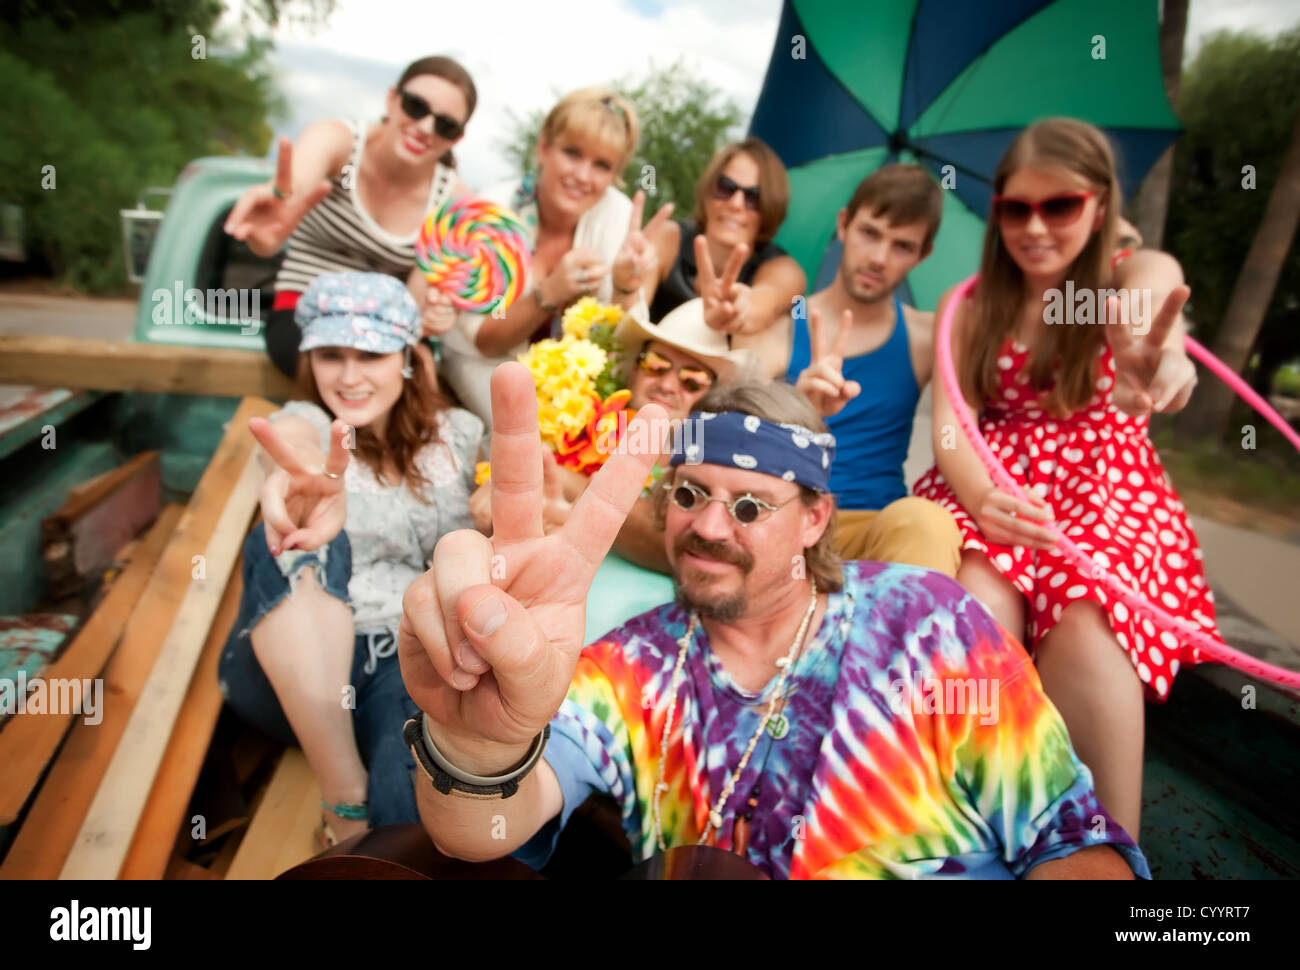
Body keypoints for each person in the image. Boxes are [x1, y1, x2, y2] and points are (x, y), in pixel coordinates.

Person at [396, 366, 1150, 879]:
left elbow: (1074, 844)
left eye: (750, 506)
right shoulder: (632, 668)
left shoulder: (930, 625)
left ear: (817, 517)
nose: (709, 528)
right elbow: (477, 832)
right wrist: (474, 744)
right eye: (689, 494)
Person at [912, 118, 1222, 839]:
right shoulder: (976, 306)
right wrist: (983, 498)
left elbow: (1156, 289)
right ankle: (978, 829)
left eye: (1061, 206)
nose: (1036, 227)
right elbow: (953, 425)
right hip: (991, 483)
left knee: (1086, 616)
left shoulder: (1120, 284)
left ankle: (1109, 855)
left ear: (1102, 206)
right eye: (1017, 208)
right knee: (976, 604)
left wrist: (1161, 348)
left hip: (1101, 480)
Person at [218, 271, 483, 847]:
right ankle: (342, 795)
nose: (349, 375)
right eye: (331, 354)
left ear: (409, 358)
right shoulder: (308, 422)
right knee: (298, 535)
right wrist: (296, 479)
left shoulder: (461, 435)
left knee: (412, 799)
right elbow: (294, 446)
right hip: (293, 670)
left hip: (405, 661)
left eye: (371, 353)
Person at [224, 55, 476, 380]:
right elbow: (296, 182)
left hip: (384, 332)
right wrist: (280, 204)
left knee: (417, 376)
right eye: (416, 106)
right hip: (303, 316)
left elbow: (413, 309)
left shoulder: (453, 200)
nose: (426, 127)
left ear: (457, 138)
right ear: (392, 99)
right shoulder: (339, 142)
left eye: (446, 124)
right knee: (350, 372)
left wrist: (432, 316)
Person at [468, 297, 749, 573]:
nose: (666, 384)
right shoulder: (574, 418)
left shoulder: (712, 463)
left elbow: (675, 545)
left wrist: (570, 483)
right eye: (656, 365)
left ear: (711, 396)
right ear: (634, 371)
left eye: (692, 380)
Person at [786, 164, 961, 575]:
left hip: (874, 530)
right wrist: (799, 407)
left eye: (902, 246)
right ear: (844, 224)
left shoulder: (927, 336)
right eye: (870, 233)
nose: (879, 258)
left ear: (923, 254)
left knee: (927, 522)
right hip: (784, 520)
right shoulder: (780, 322)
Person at [438, 88, 650, 420]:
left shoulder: (618, 215)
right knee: (525, 431)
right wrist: (550, 293)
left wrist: (626, 287)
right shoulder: (493, 211)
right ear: (543, 147)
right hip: (481, 360)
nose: (582, 176)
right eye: (573, 153)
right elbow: (484, 341)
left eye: (602, 165)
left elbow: (623, 347)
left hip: (568, 382)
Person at [625, 138, 806, 379]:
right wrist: (625, 281)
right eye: (726, 187)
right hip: (648, 378)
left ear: (769, 207)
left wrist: (740, 309)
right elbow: (628, 321)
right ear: (708, 192)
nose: (736, 203)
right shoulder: (668, 237)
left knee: (769, 331)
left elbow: (765, 302)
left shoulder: (783, 269)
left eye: (753, 197)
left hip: (718, 398)